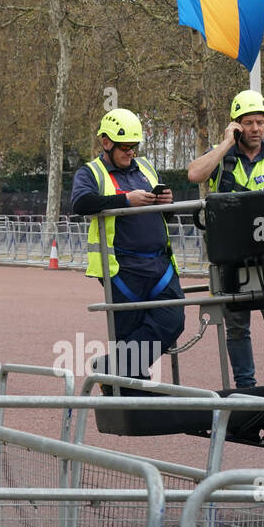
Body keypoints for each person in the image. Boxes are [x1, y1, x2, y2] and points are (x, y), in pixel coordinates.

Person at [188, 89, 264, 389]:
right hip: (231, 259)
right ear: (237, 125)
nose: (256, 129)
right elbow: (194, 175)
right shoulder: (222, 155)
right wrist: (226, 143)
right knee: (237, 327)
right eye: (249, 123)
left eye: (261, 122)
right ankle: (246, 388)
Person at [71, 108, 184, 380]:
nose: (130, 152)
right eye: (124, 147)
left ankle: (112, 371)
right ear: (106, 142)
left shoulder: (145, 167)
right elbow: (80, 203)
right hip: (123, 271)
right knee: (128, 335)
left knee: (173, 320)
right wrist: (125, 201)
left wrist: (166, 202)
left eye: (134, 147)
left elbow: (165, 215)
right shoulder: (91, 172)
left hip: (160, 265)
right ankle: (131, 399)